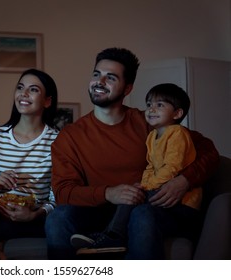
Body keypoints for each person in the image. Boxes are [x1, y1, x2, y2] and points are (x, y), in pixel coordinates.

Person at [45, 47, 219, 259]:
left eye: (110, 78)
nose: (99, 82)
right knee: (58, 217)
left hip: (149, 208)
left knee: (141, 214)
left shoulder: (149, 122)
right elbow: (64, 192)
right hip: (101, 212)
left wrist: (184, 180)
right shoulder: (70, 136)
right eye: (96, 74)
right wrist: (109, 193)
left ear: (127, 88)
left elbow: (209, 152)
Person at [71, 83, 200, 255]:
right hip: (158, 190)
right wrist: (142, 185)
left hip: (182, 203)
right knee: (131, 193)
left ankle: (112, 235)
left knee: (132, 198)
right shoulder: (152, 136)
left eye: (159, 105)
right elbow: (150, 167)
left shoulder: (177, 133)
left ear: (177, 113)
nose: (151, 109)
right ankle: (111, 235)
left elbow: (172, 167)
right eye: (149, 105)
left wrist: (148, 186)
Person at [0, 68, 59, 242]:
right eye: (20, 87)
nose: (23, 94)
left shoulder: (59, 141)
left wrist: (35, 214)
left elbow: (59, 196)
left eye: (33, 89)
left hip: (37, 220)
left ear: (47, 101)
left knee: (59, 219)